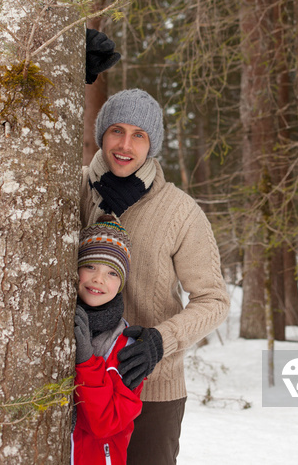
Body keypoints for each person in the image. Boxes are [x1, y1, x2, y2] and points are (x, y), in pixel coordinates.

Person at [80, 88, 230, 465]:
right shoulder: (74, 189)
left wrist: (161, 341)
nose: (125, 144)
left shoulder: (180, 211)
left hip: (150, 390)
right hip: (78, 384)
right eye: (116, 130)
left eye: (139, 135)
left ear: (152, 145)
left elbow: (214, 300)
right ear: (101, 134)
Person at [72, 214, 144, 465]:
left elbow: (106, 423)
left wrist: (85, 362)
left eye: (112, 273)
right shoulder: (55, 323)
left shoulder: (128, 348)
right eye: (90, 266)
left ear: (122, 283)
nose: (98, 279)